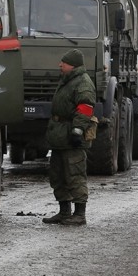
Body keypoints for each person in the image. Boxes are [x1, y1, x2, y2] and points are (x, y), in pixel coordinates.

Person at [43, 49, 97, 226]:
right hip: (60, 136)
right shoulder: (68, 80)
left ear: (72, 65)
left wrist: (77, 132)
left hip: (71, 136)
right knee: (58, 175)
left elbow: (85, 108)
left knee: (75, 174)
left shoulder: (83, 83)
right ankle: (64, 211)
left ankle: (79, 214)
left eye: (63, 63)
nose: (60, 65)